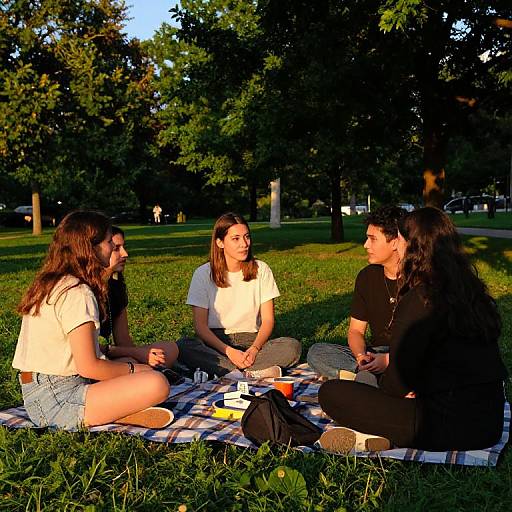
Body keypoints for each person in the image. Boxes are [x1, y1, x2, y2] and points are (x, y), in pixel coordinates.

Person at [318, 207, 507, 453]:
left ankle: (377, 434)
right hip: (490, 423)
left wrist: (397, 386)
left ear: (413, 247)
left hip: (444, 425)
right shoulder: (472, 292)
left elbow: (396, 386)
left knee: (331, 393)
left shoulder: (421, 298)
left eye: (401, 241)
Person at [12, 211, 173, 431]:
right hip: (56, 399)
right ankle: (115, 413)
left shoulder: (56, 282)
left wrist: (132, 363)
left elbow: (90, 355)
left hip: (47, 389)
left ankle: (117, 411)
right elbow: (89, 367)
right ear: (90, 247)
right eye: (110, 243)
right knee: (156, 383)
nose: (115, 249)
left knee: (141, 366)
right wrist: (136, 370)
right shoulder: (77, 291)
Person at [177, 212, 301, 378]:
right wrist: (229, 351)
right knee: (184, 346)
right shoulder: (203, 274)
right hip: (216, 343)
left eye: (247, 237)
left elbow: (268, 320)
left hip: (252, 341)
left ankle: (229, 372)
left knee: (292, 347)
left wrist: (255, 349)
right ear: (220, 242)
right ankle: (248, 372)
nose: (244, 244)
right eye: (236, 239)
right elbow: (200, 327)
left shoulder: (261, 269)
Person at [307, 205, 405, 379]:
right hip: (374, 353)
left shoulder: (420, 278)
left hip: (409, 354)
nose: (366, 245)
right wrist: (361, 357)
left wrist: (389, 360)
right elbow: (356, 331)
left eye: (373, 239)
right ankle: (366, 374)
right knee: (317, 352)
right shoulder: (367, 276)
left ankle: (375, 377)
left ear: (395, 242)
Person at [100, 226, 179, 370]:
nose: (125, 254)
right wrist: (137, 354)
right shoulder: (82, 292)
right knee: (135, 364)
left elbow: (123, 340)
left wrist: (142, 354)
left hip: (111, 355)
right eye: (116, 248)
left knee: (170, 348)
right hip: (93, 361)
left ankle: (144, 372)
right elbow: (93, 350)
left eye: (124, 247)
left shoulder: (115, 286)